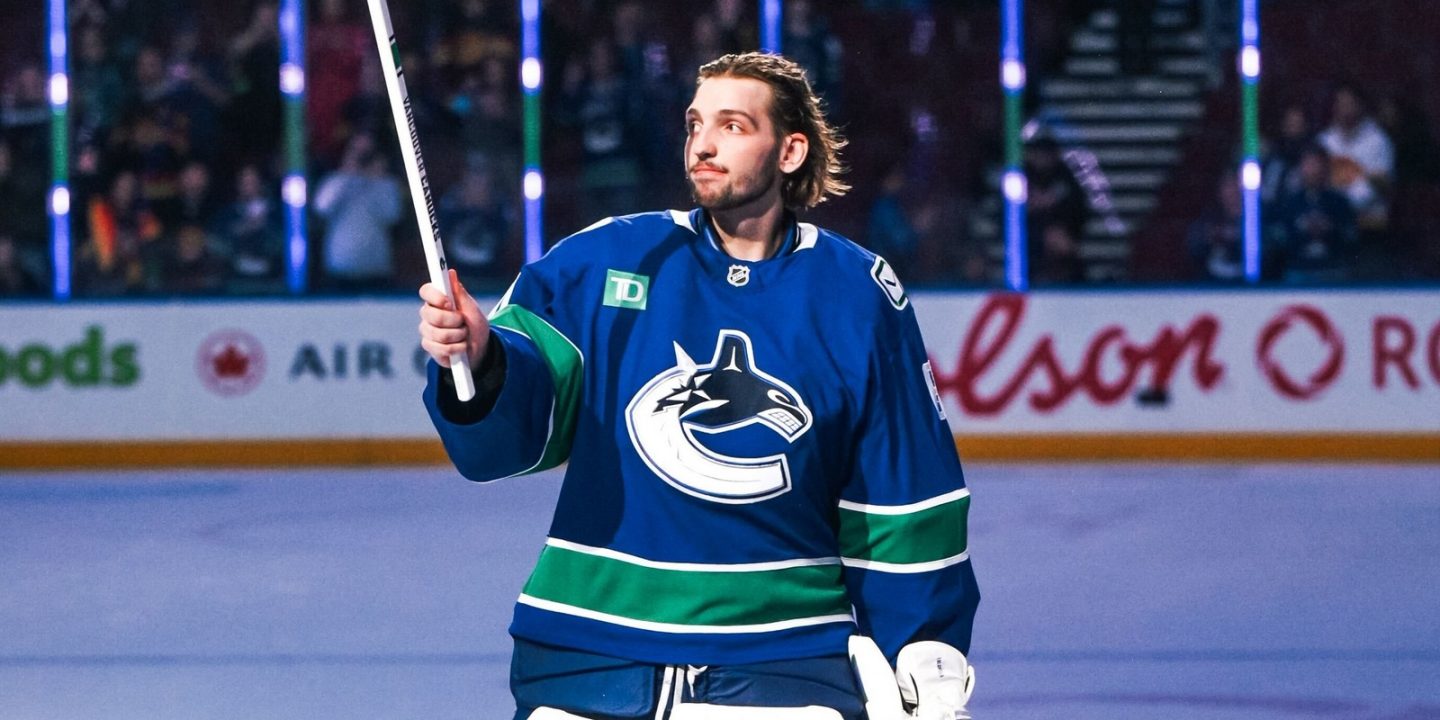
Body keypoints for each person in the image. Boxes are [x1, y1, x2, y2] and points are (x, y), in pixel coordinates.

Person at [418, 53, 979, 720]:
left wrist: (922, 648)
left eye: (732, 126)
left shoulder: (855, 294)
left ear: (791, 151)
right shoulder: (604, 259)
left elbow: (904, 493)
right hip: (588, 657)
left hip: (782, 664)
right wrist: (481, 360)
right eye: (694, 124)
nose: (703, 145)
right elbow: (508, 439)